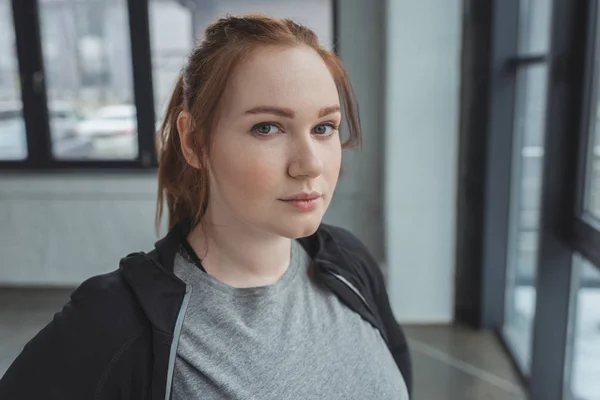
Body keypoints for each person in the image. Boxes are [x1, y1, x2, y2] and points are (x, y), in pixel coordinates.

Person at [0, 14, 412, 400]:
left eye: (324, 128)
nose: (310, 164)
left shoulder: (348, 261)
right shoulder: (117, 321)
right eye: (266, 127)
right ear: (194, 141)